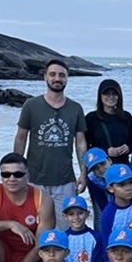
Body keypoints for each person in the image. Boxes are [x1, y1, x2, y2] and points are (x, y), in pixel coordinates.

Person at [13, 58, 88, 227]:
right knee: (34, 227)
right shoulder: (31, 105)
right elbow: (21, 138)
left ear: (67, 78)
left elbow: (80, 144)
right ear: (45, 77)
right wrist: (17, 171)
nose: (57, 78)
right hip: (34, 179)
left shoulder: (75, 108)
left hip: (65, 181)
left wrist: (83, 173)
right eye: (52, 74)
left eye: (62, 75)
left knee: (66, 228)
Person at [84, 79, 132, 166]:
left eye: (114, 94)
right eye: (106, 94)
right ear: (100, 96)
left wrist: (128, 148)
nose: (111, 97)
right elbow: (85, 147)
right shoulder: (91, 118)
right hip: (100, 167)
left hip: (123, 167)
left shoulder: (126, 117)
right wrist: (106, 151)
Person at [61, 194, 102, 262]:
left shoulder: (95, 237)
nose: (76, 217)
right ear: (65, 216)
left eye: (80, 213)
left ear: (87, 214)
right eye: (71, 214)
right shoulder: (63, 238)